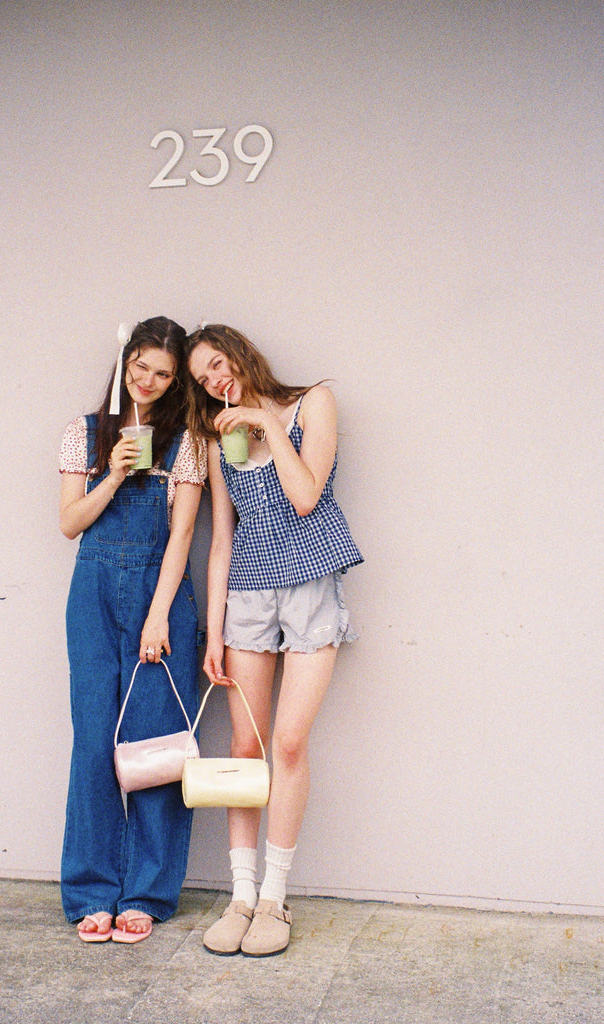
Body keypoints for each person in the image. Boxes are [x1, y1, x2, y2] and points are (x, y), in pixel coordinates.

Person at [185, 323, 363, 957]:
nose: (214, 380)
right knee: (245, 746)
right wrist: (214, 629)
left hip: (311, 584)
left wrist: (264, 420)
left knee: (288, 743)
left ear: (240, 353)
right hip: (247, 596)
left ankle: (273, 899)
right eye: (202, 378)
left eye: (217, 364)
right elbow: (222, 539)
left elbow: (307, 495)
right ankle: (240, 896)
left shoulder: (313, 403)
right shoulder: (217, 439)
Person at [59, 316, 207, 945]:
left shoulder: (186, 444)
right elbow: (71, 523)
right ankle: (92, 891)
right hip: (93, 593)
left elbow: (183, 535)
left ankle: (146, 892)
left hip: (161, 595)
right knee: (93, 740)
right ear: (124, 363)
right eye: (140, 366)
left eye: (163, 374)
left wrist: (157, 614)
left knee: (156, 745)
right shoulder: (85, 434)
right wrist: (115, 473)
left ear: (175, 382)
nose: (147, 380)